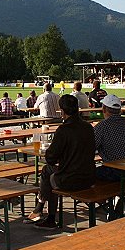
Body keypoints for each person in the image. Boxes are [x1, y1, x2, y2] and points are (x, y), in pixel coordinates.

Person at [27, 95, 96, 229]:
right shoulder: (88, 127)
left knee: (49, 174)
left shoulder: (64, 130)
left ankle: (48, 215)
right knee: (49, 172)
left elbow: (50, 158)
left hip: (72, 179)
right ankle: (39, 209)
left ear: (63, 111)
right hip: (89, 176)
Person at [94, 94, 125, 182]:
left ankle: (107, 195)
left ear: (104, 109)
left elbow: (91, 148)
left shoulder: (102, 126)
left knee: (87, 174)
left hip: (117, 171)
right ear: (119, 110)